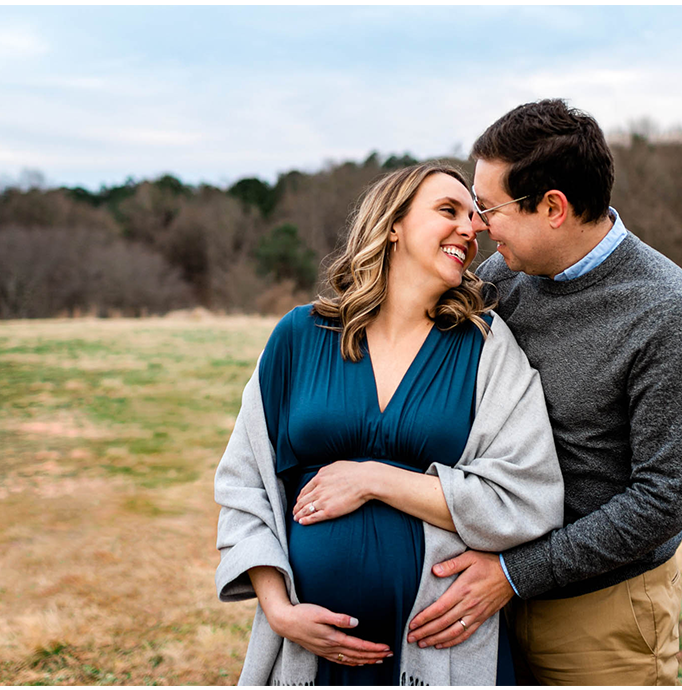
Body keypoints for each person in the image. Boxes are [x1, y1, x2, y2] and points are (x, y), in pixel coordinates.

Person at [401, 99, 682, 685]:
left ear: (552, 208)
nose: (476, 227)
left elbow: (662, 498)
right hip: (483, 599)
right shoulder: (501, 280)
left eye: (488, 208)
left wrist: (517, 572)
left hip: (602, 616)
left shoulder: (669, 313)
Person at [213, 163, 565, 685]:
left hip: (440, 651)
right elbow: (245, 486)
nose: (470, 229)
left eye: (474, 216)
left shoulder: (487, 346)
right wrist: (280, 610)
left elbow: (529, 498)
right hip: (309, 650)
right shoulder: (299, 336)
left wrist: (374, 479)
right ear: (393, 223)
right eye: (449, 211)